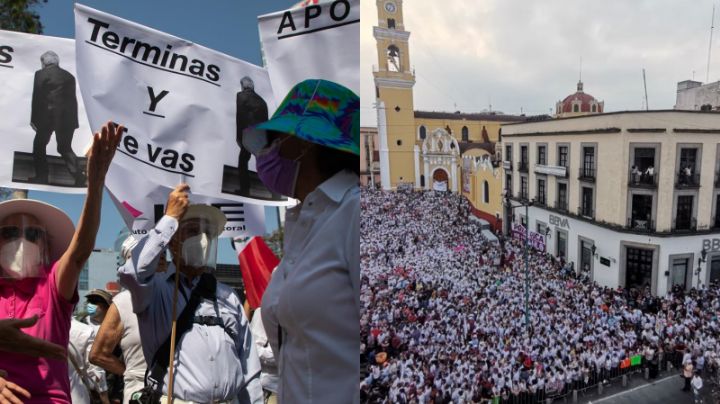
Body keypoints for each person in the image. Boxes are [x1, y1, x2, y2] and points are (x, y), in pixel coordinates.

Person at [242, 79, 360, 403]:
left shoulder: (354, 212)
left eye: (273, 140)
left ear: (301, 143)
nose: (266, 152)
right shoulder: (304, 226)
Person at [0, 121, 123, 402]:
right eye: (10, 232)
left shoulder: (53, 284)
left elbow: (80, 250)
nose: (22, 241)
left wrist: (96, 182)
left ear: (45, 244)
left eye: (32, 234)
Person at [118, 188, 262, 403]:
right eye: (193, 231)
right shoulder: (155, 290)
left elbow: (249, 365)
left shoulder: (227, 296)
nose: (202, 239)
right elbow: (133, 273)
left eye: (208, 233)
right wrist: (170, 218)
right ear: (173, 241)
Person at [90, 236, 151, 404]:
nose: (157, 257)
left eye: (159, 252)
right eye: (148, 254)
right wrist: (130, 372)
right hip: (139, 394)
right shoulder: (123, 301)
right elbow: (97, 354)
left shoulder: (174, 297)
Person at [30, 50, 83, 186]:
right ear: (57, 62)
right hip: (66, 118)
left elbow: (37, 96)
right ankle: (79, 177)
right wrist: (73, 121)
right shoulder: (69, 76)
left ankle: (42, 177)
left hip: (47, 116)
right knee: (65, 147)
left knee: (39, 145)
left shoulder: (40, 74)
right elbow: (72, 100)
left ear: (43, 62)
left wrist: (34, 119)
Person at [235, 76, 268, 196]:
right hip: (260, 136)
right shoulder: (262, 100)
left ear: (242, 86)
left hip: (247, 135)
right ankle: (274, 192)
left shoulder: (241, 96)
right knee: (264, 163)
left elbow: (241, 117)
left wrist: (239, 138)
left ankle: (245, 190)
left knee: (243, 162)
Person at [68, 317, 109, 404]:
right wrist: (105, 398)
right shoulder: (84, 330)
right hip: (77, 395)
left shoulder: (36, 327)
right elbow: (95, 370)